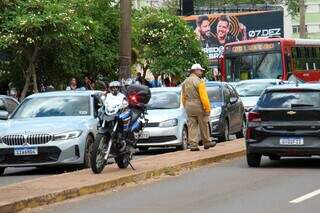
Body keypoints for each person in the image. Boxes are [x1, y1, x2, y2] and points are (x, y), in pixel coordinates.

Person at [181, 64, 216, 151]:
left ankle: (193, 145)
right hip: (199, 105)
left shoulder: (185, 82)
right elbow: (204, 97)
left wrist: (186, 105)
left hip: (189, 106)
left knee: (192, 126)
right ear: (195, 70)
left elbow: (183, 97)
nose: (201, 72)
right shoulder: (199, 82)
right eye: (200, 70)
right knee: (204, 124)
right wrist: (207, 108)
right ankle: (207, 142)